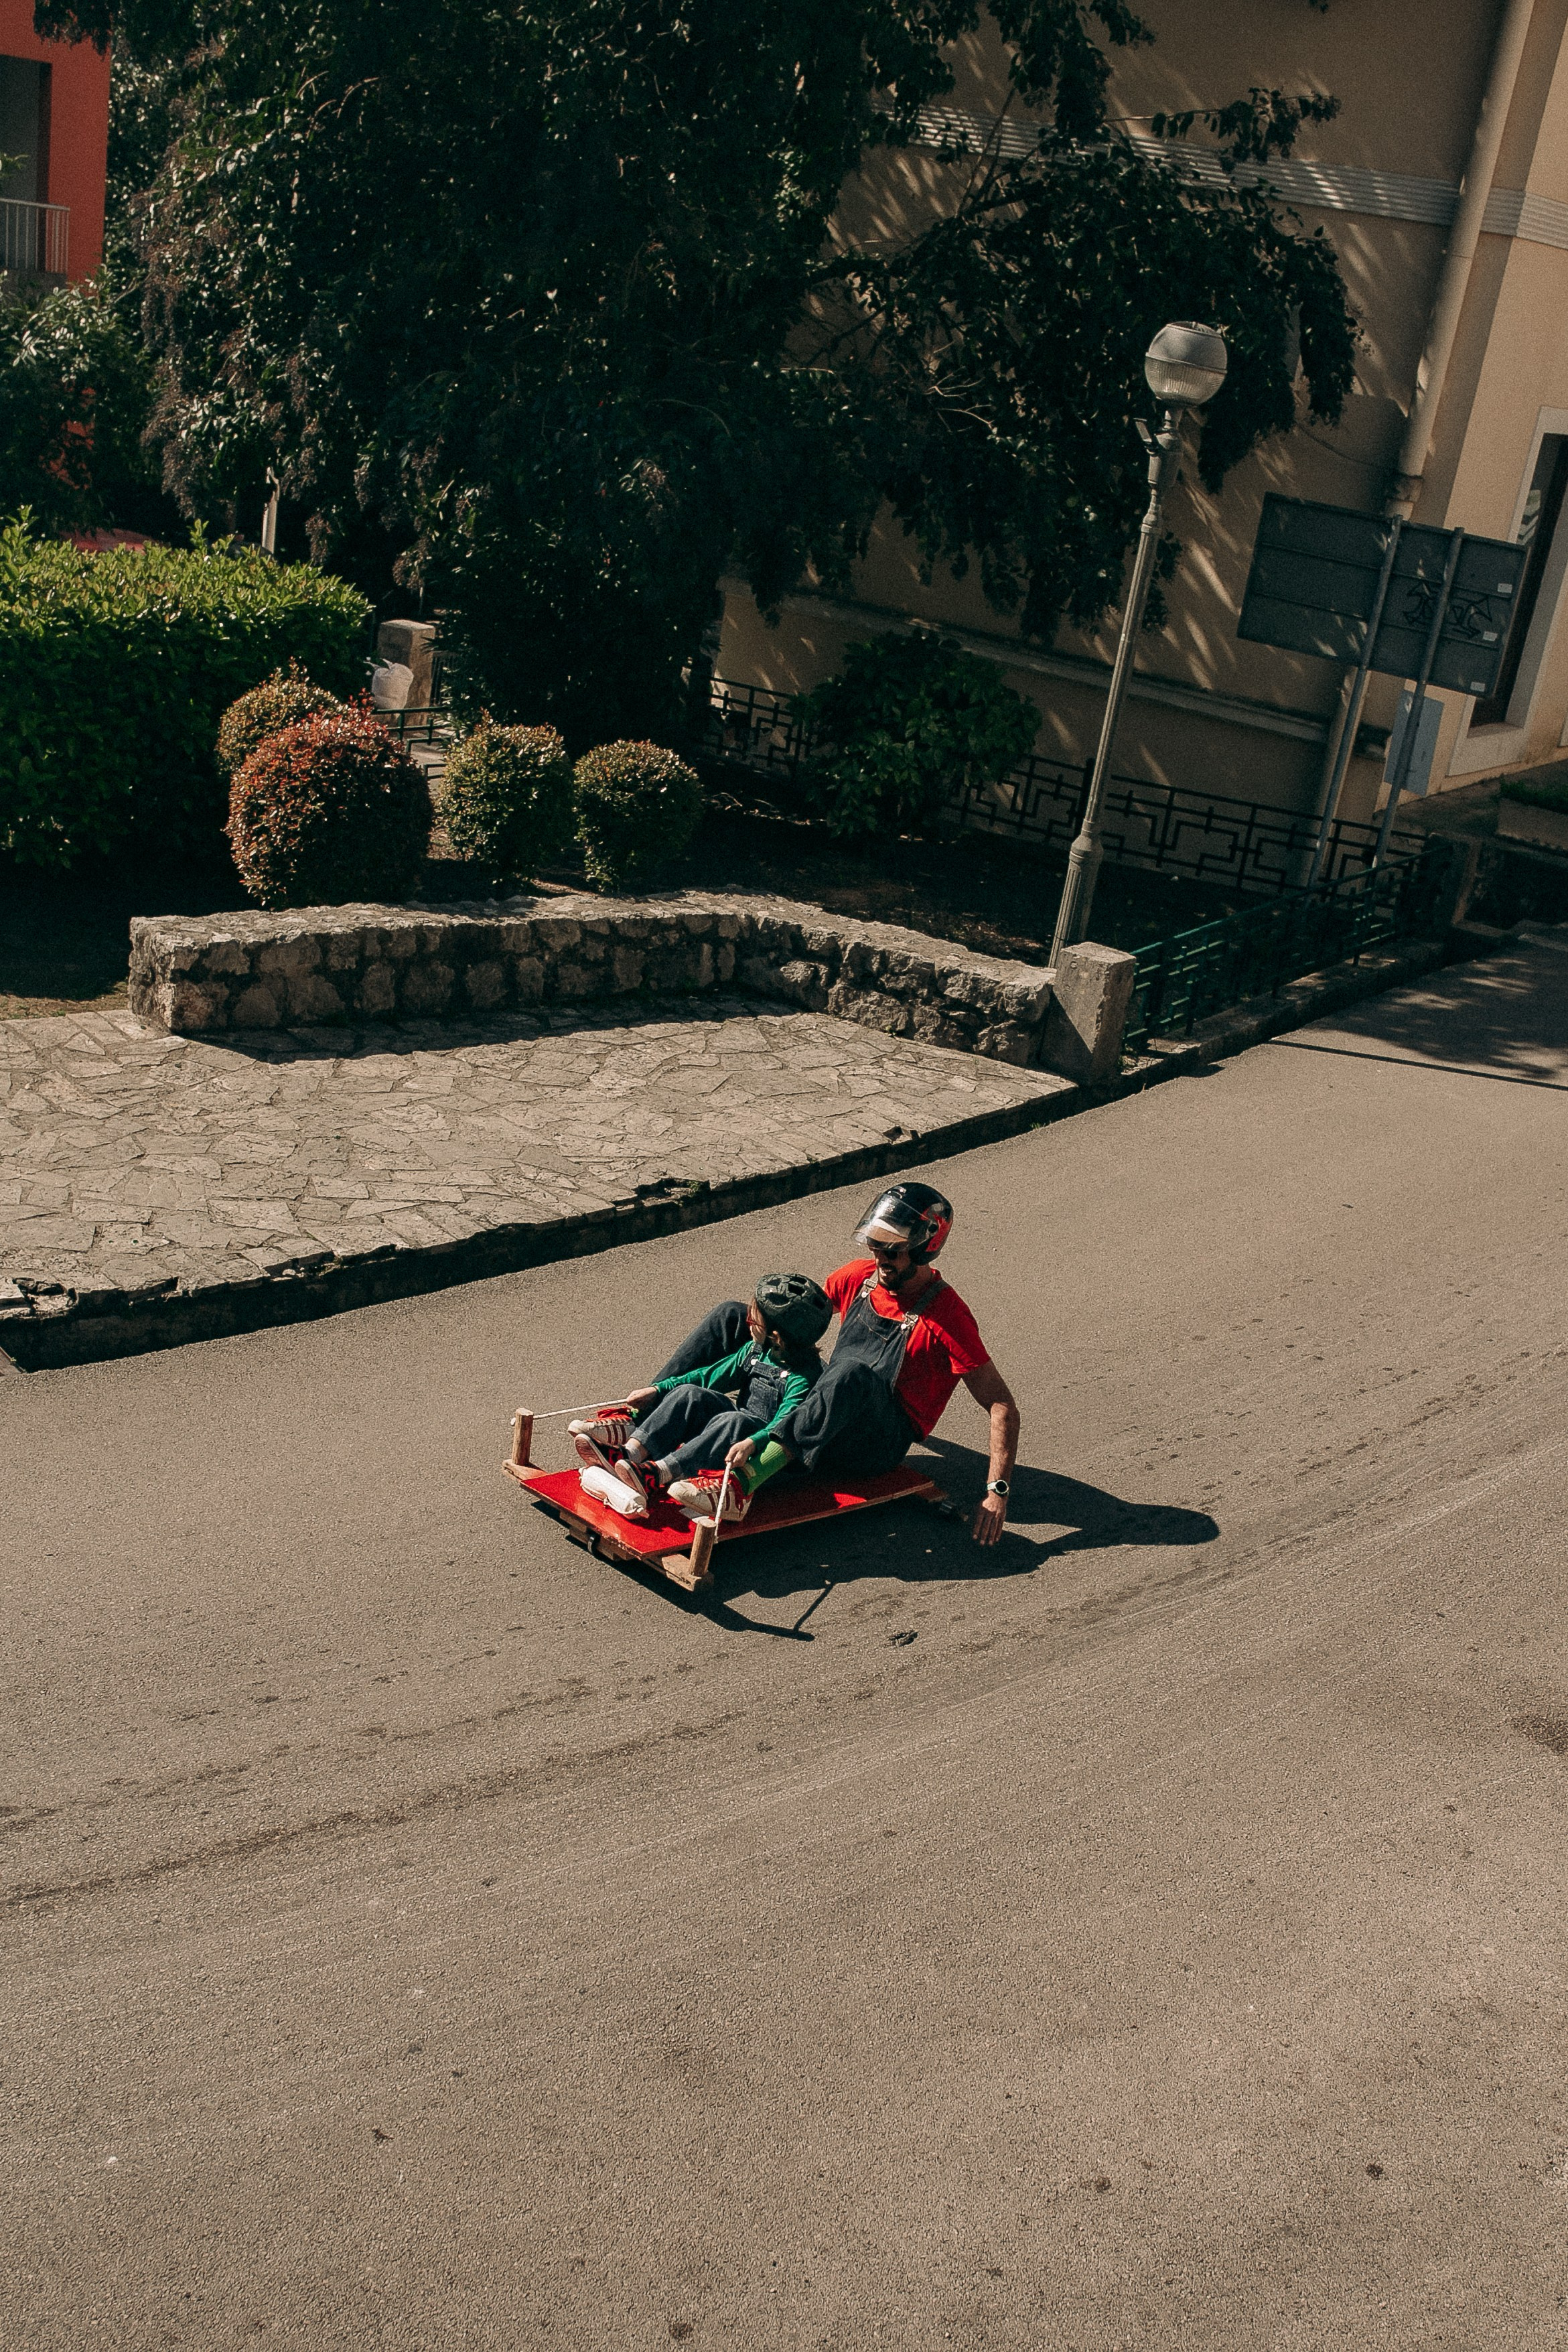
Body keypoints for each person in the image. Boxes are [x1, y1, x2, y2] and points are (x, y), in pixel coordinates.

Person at [644, 1182, 1019, 1544]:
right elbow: (801, 1320)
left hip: (874, 1445)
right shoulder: (860, 1277)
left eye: (892, 1251)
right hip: (831, 1404)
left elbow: (1000, 1405)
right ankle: (639, 1420)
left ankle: (741, 1486)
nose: (880, 1259)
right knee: (733, 1315)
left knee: (849, 1373)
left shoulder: (947, 1316)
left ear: (925, 1247)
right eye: (875, 1246)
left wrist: (996, 1492)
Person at [567, 1273, 832, 1507]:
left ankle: (657, 1473)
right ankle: (630, 1453)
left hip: (751, 1446)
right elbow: (708, 1377)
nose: (748, 1320)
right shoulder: (756, 1351)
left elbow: (783, 1425)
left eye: (756, 1319)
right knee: (690, 1393)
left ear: (777, 1336)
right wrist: (659, 1390)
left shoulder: (803, 1378)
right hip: (733, 1422)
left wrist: (753, 1442)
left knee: (735, 1419)